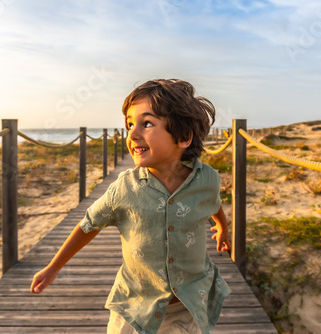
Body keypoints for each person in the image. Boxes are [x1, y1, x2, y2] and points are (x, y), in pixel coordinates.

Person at [30, 79, 232, 334]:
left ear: (183, 137)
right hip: (136, 305)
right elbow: (88, 224)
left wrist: (221, 227)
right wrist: (54, 266)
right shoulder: (125, 188)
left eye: (147, 124)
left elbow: (213, 202)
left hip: (188, 303)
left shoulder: (207, 179)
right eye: (129, 125)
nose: (133, 134)